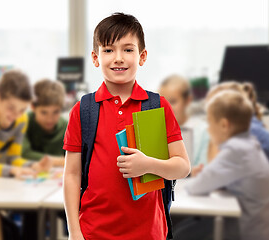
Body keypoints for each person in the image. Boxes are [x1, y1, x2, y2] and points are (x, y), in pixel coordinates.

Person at [63, 13, 190, 240]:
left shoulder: (156, 106)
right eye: (109, 50)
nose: (118, 58)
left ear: (142, 56)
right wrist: (74, 232)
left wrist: (148, 165)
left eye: (128, 49)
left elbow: (182, 167)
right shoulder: (83, 110)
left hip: (149, 233)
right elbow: (72, 175)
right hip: (94, 232)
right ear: (95, 57)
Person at [185, 90, 269, 240]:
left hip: (246, 231)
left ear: (224, 125)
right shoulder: (249, 144)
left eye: (210, 123)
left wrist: (195, 179)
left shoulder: (235, 150)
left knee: (179, 233)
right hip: (255, 225)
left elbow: (196, 187)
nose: (208, 129)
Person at [22, 79, 67, 166]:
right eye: (44, 112)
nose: (50, 119)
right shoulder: (23, 122)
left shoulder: (66, 127)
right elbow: (23, 154)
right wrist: (60, 161)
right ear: (32, 107)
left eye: (56, 112)